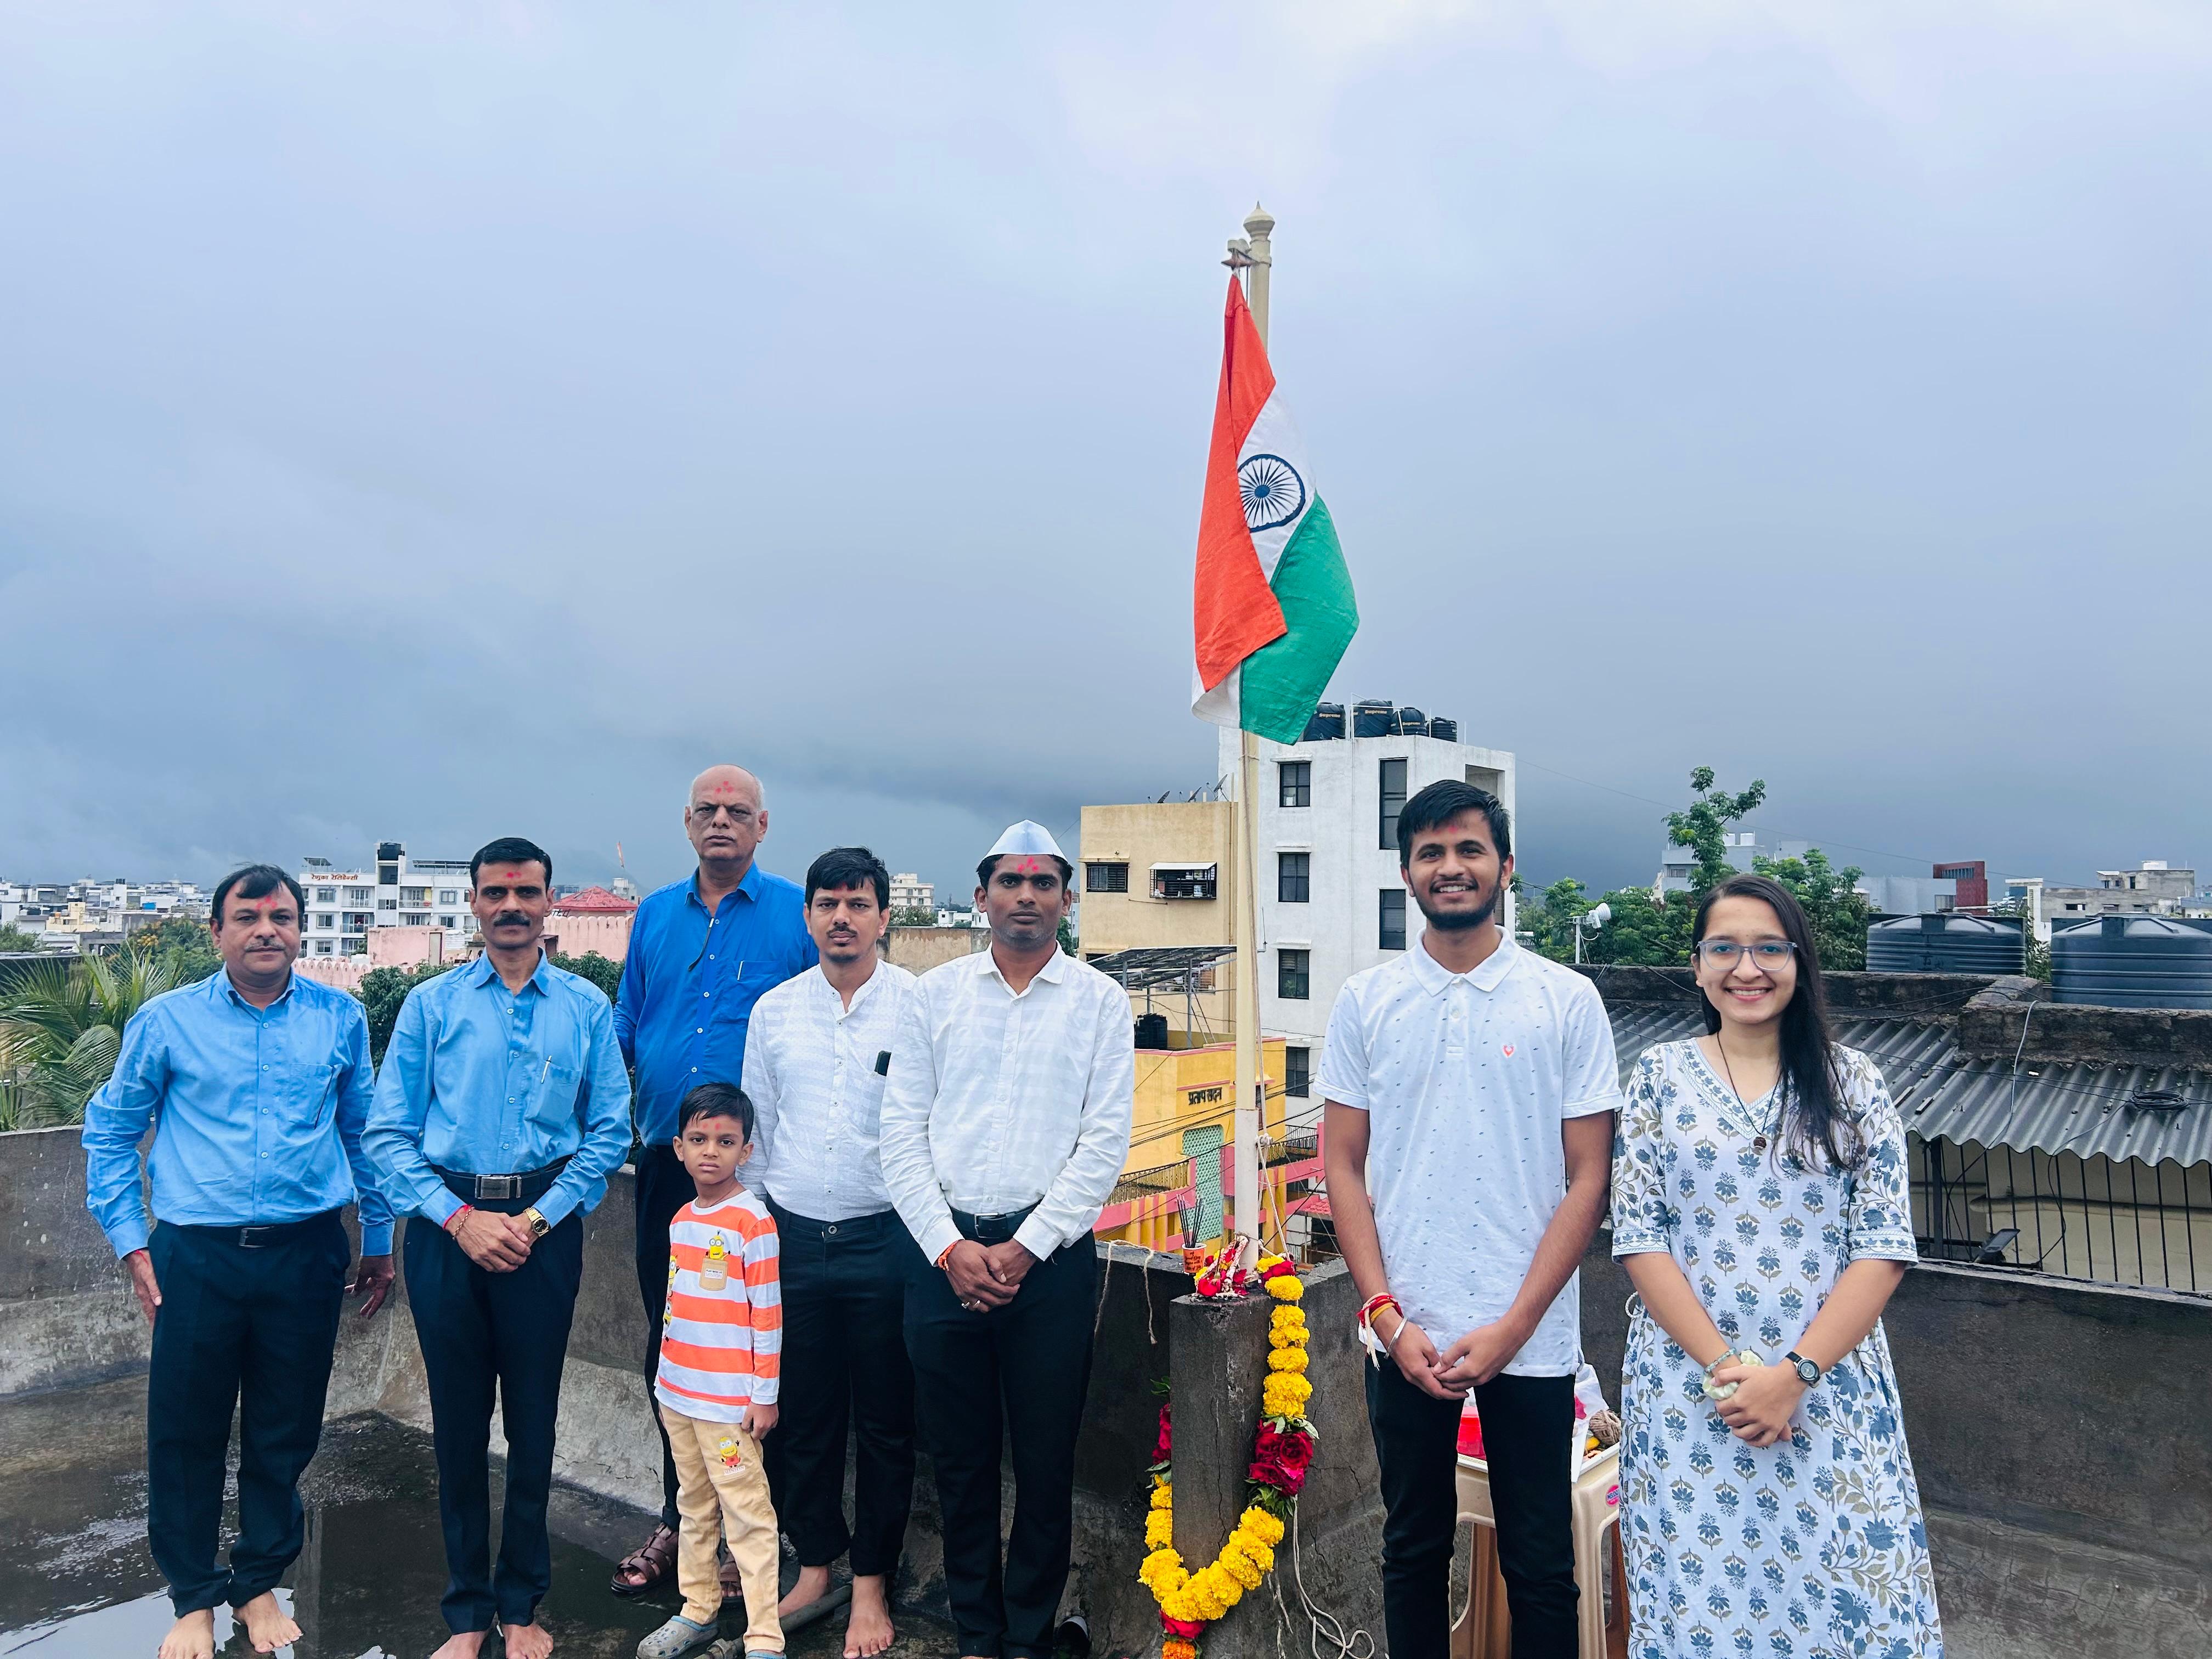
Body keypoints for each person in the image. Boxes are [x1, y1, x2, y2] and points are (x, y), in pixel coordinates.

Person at [1319, 781, 1620, 1659]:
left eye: (1469, 850)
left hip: (1530, 1337)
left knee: (1538, 1562)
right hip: (1403, 1331)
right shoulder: (1366, 1002)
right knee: (1412, 1550)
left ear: (1505, 867)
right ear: (1407, 872)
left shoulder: (1565, 1000)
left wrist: (1515, 1326)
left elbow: (1587, 1178)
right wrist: (1384, 1313)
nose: (1451, 868)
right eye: (1431, 854)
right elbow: (1342, 1164)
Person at [1611, 873, 1942, 1658]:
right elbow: (1639, 1235)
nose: (1746, 968)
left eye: (1769, 948)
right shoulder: (1658, 1077)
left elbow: (1883, 1244)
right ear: (1697, 966)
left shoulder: (1853, 1080)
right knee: (1702, 1609)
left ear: (1799, 963)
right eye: (1724, 948)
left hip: (1830, 1390)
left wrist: (1791, 1377)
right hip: (1694, 1397)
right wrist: (1732, 1372)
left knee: (1851, 1601)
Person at [81, 864, 396, 1659]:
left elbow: (364, 1135)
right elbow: (112, 1133)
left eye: (282, 916)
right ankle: (192, 1596)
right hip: (198, 1255)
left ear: (301, 929)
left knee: (285, 1429)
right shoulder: (166, 1021)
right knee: (185, 1430)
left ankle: (257, 1583)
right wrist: (132, 1242)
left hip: (306, 1251)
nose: (267, 929)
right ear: (217, 931)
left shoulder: (340, 1019)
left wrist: (381, 1238)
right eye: (248, 916)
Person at [364, 837, 634, 1659]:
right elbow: (388, 1134)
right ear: (474, 904)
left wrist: (537, 1220)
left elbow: (606, 1131)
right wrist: (458, 1219)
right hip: (449, 1233)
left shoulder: (584, 1008)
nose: (511, 906)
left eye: (527, 892)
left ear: (549, 903)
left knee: (535, 1424)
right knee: (455, 1426)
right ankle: (467, 1614)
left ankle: (522, 1606)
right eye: (495, 893)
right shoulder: (432, 1005)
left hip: (541, 1236)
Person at [878, 820, 1133, 1659]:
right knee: (960, 1461)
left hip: (1049, 1269)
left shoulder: (1099, 1002)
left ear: (1066, 897)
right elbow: (900, 1135)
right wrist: (950, 1250)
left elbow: (1103, 1146)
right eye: (1010, 881)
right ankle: (976, 1633)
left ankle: (1028, 1633)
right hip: (941, 1261)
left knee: (1046, 1461)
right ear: (983, 893)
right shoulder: (934, 995)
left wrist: (1025, 1247)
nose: (1027, 895)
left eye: (1044, 882)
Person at [612, 764, 817, 1599]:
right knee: (673, 1338)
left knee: (754, 1349)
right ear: (687, 822)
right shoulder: (655, 913)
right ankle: (680, 1516)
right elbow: (627, 1023)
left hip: (759, 1179)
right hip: (667, 1166)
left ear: (763, 827)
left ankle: (752, 1527)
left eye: (738, 812)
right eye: (708, 810)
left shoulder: (794, 915)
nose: (722, 822)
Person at [743, 847, 917, 1658]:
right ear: (807, 916)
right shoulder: (775, 1011)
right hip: (793, 1242)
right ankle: (817, 1566)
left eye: (857, 903)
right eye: (826, 903)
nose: (841, 917)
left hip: (888, 1242)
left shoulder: (918, 1007)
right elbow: (759, 1137)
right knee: (802, 1418)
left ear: (885, 916)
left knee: (886, 1421)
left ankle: (873, 1586)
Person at [636, 1083, 786, 1659]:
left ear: (746, 1151)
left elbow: (767, 1316)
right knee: (693, 1507)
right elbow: (674, 1306)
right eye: (698, 1139)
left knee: (747, 1513)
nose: (710, 1152)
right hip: (678, 1397)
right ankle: (697, 1609)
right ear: (677, 1147)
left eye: (726, 1141)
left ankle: (765, 1636)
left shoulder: (754, 1224)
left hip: (728, 1410)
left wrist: (763, 1396)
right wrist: (662, 1382)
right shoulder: (679, 1219)